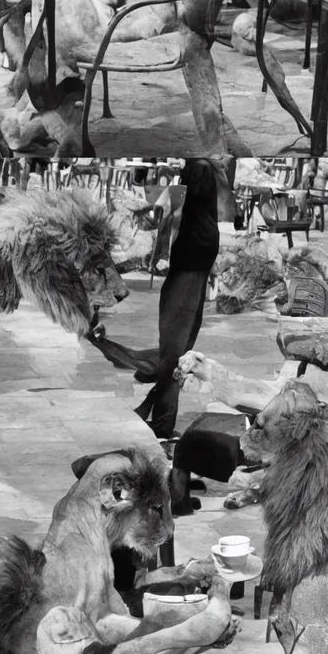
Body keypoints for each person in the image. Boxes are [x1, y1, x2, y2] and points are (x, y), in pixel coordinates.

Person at [84, 149, 233, 461]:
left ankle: (159, 418)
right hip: (191, 264)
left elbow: (180, 212)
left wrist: (161, 210)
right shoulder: (201, 170)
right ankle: (157, 414)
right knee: (174, 346)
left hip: (191, 265)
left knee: (175, 347)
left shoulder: (199, 169)